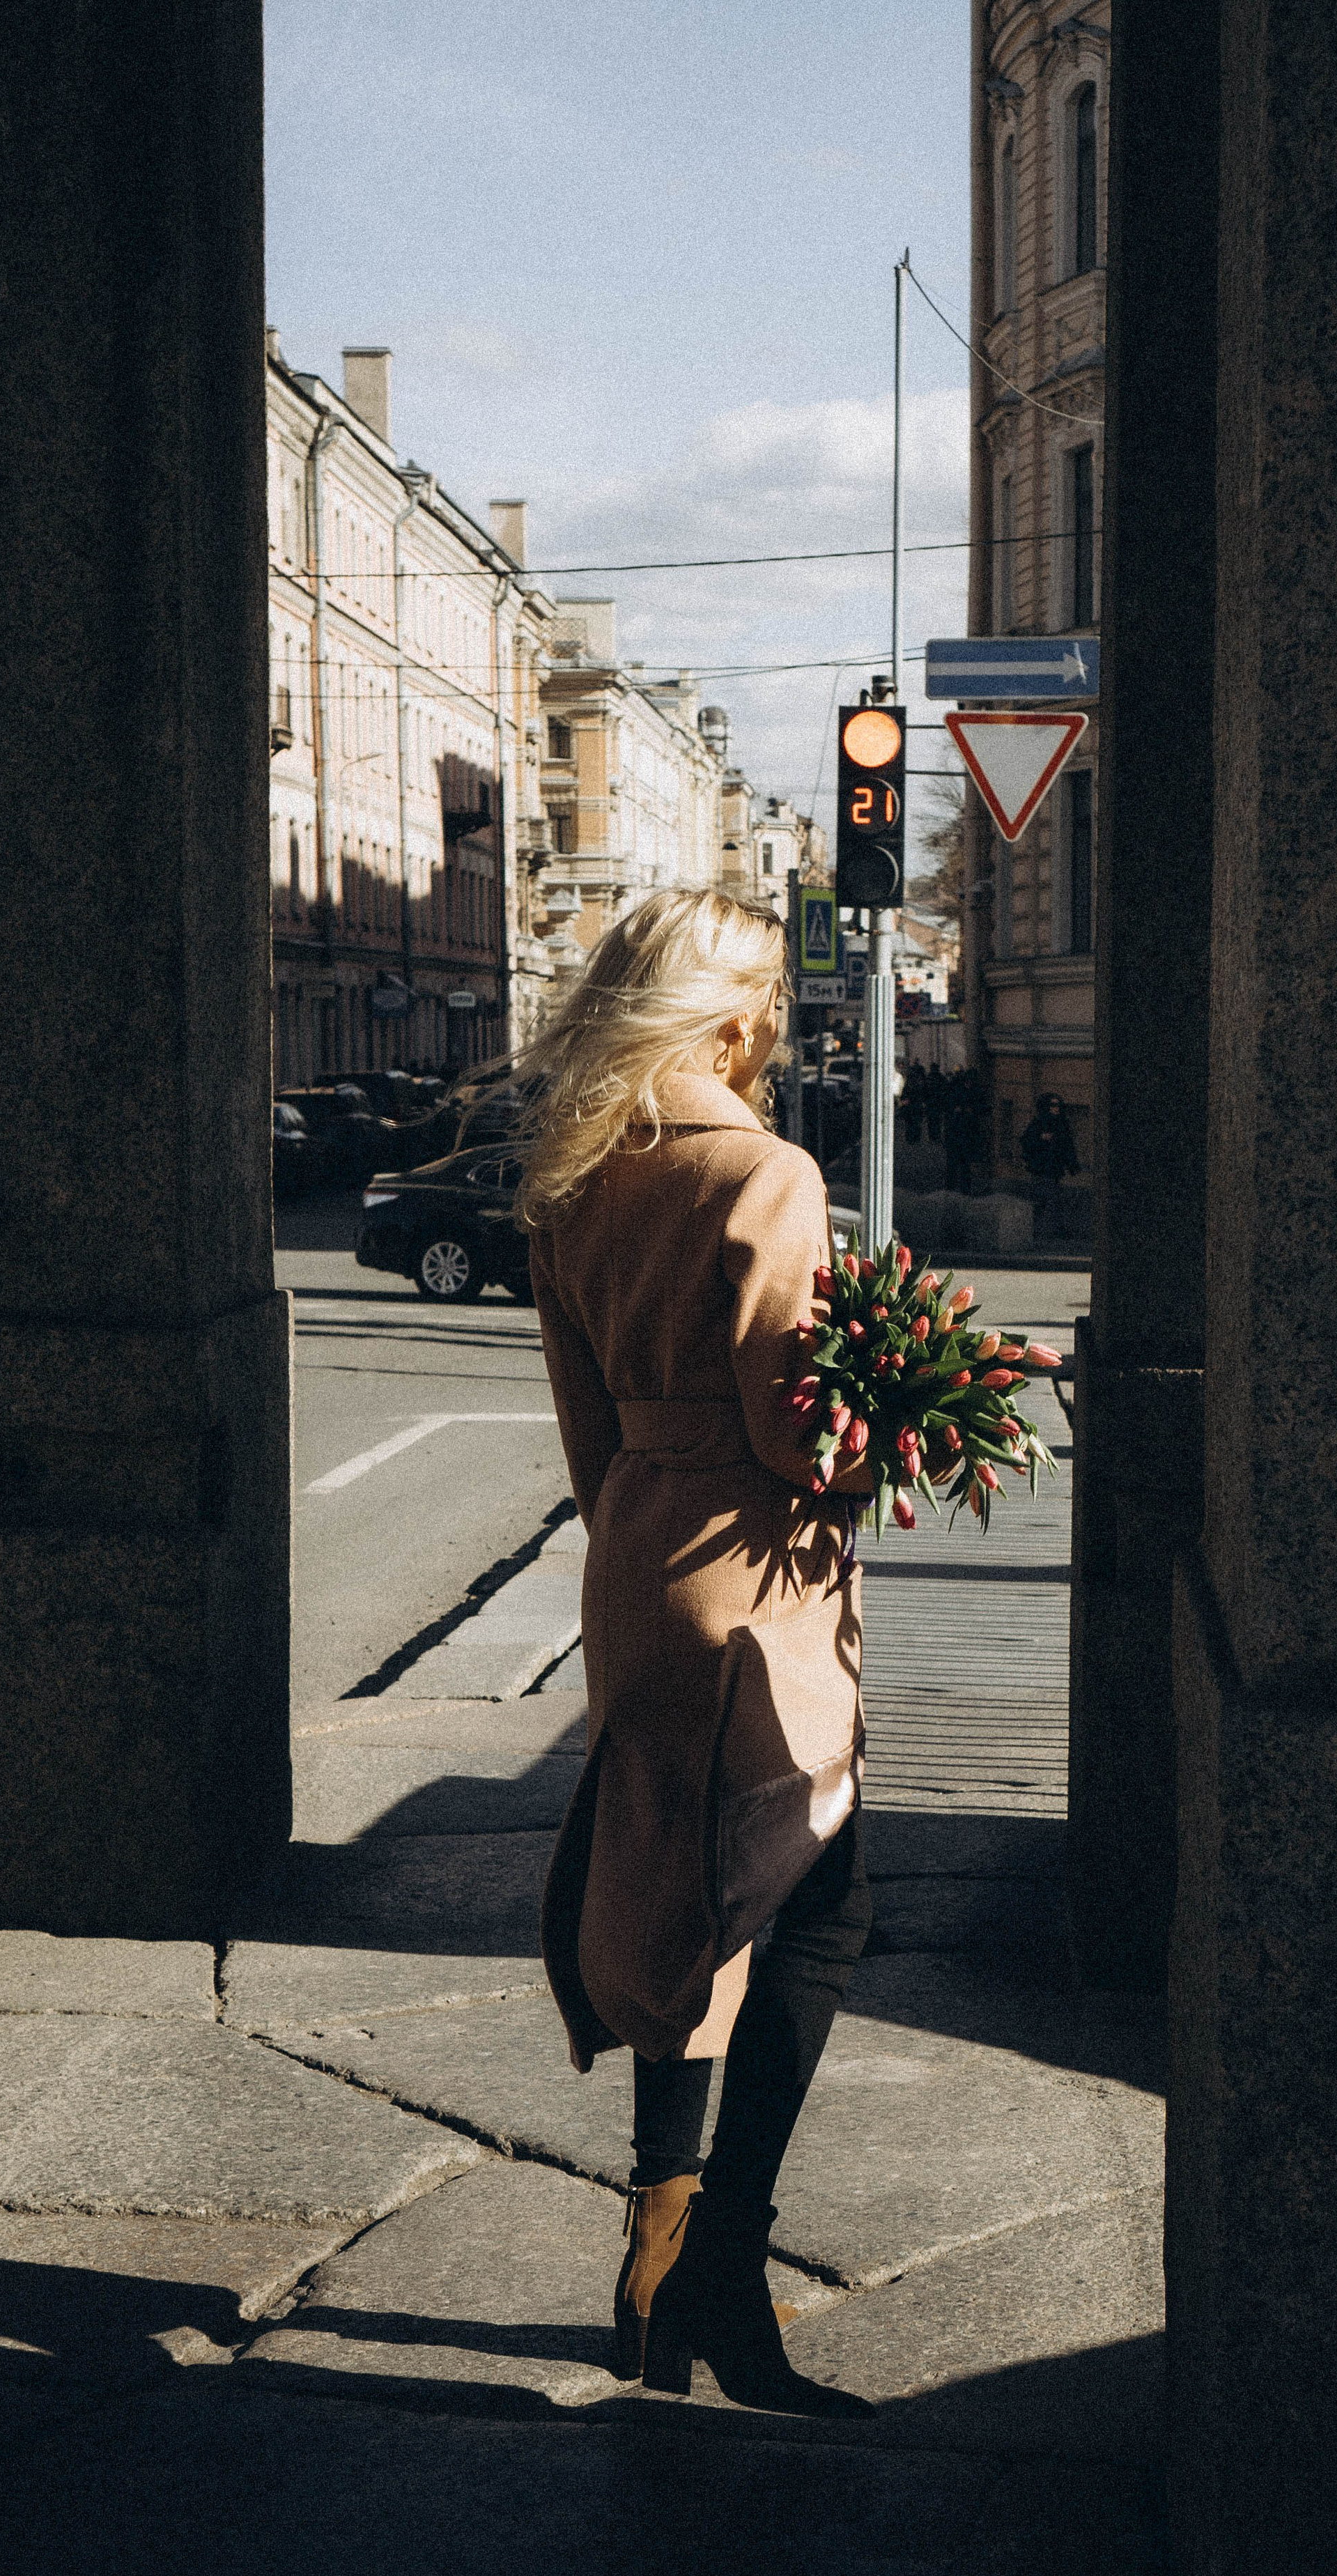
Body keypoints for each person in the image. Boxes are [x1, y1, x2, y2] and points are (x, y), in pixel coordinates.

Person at [516, 888, 874, 2420]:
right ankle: (719, 2264)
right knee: (821, 1906)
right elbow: (799, 1435)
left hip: (636, 1558)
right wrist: (892, 1432)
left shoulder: (575, 1175)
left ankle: (658, 2253)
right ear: (733, 1017)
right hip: (753, 1576)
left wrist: (638, 1531)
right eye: (768, 999)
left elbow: (585, 1432)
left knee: (679, 1892)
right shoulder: (765, 1172)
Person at [1019, 1090, 1080, 1240]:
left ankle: (1051, 1229)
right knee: (1043, 1200)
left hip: (1054, 1168)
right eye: (1053, 1105)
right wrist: (1041, 1138)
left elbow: (1067, 1145)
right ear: (1046, 1106)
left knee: (1052, 1199)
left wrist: (1072, 1165)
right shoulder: (1039, 1122)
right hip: (1041, 1168)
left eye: (1058, 1105)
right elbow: (1026, 1140)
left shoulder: (1062, 1124)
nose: (1056, 1108)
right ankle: (1036, 1229)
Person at [899, 1061, 927, 1146]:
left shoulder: (909, 1085)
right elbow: (922, 1094)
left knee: (910, 1123)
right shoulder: (919, 1085)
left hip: (911, 1106)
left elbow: (904, 1094)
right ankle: (915, 1138)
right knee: (915, 1122)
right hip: (916, 1105)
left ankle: (911, 1138)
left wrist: (904, 1100)